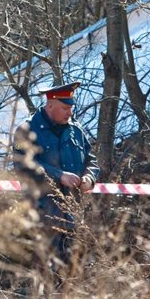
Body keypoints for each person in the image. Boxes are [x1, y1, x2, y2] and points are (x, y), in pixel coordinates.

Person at [13, 81, 99, 267]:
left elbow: (91, 160)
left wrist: (89, 178)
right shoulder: (26, 130)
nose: (70, 113)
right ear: (50, 105)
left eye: (71, 108)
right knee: (46, 269)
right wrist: (58, 175)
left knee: (75, 268)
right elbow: (22, 163)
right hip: (43, 212)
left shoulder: (76, 129)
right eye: (65, 108)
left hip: (74, 212)